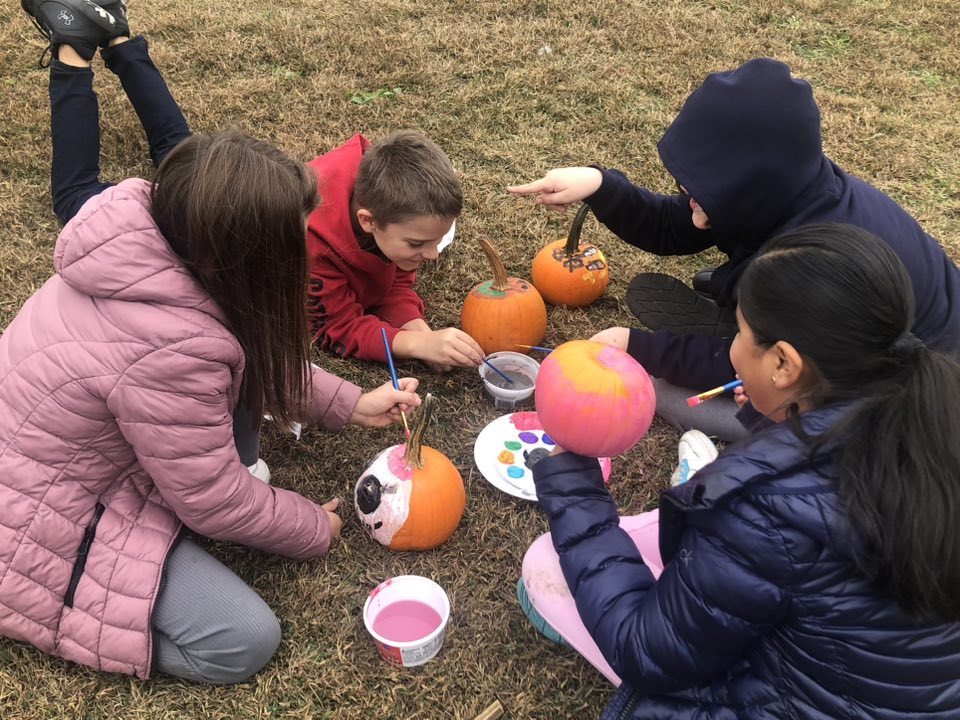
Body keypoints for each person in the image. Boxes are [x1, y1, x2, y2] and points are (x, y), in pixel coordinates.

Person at [2, 4, 420, 684]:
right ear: (245, 259)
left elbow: (249, 358)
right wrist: (312, 526)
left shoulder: (152, 239)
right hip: (37, 516)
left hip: (69, 447)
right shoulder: (176, 349)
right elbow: (211, 499)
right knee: (243, 639)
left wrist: (349, 403)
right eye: (292, 243)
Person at [518, 223, 960, 719]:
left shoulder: (765, 511)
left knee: (545, 565)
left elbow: (646, 650)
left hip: (782, 699)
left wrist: (575, 493)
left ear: (785, 364)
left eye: (741, 334)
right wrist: (783, 421)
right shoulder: (934, 420)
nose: (730, 350)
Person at [508, 58, 960, 442]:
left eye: (699, 192)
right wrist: (602, 186)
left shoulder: (814, 264)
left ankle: (737, 329)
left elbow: (769, 370)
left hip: (902, 395)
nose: (689, 200)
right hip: (834, 334)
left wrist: (642, 350)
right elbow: (672, 228)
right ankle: (740, 315)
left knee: (680, 395)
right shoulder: (782, 186)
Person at [306, 131, 485, 371]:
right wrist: (413, 344)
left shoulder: (388, 203)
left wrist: (419, 330)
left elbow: (393, 283)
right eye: (416, 243)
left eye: (438, 239)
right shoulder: (311, 245)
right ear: (369, 222)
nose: (433, 255)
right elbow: (338, 328)